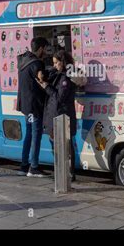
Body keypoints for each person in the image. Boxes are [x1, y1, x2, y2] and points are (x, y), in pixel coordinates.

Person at [36, 50, 86, 182]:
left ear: (63, 62)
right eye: (53, 62)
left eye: (57, 62)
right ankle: (62, 171)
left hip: (62, 115)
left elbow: (59, 98)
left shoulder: (66, 78)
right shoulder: (59, 74)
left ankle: (68, 173)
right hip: (56, 114)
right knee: (58, 144)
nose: (55, 65)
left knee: (66, 146)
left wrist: (46, 86)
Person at [16, 37, 50, 177]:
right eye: (46, 49)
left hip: (25, 105)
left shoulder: (23, 60)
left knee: (29, 134)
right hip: (34, 105)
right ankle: (33, 167)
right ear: (41, 48)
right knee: (36, 135)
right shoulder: (36, 63)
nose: (47, 52)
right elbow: (41, 79)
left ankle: (24, 165)